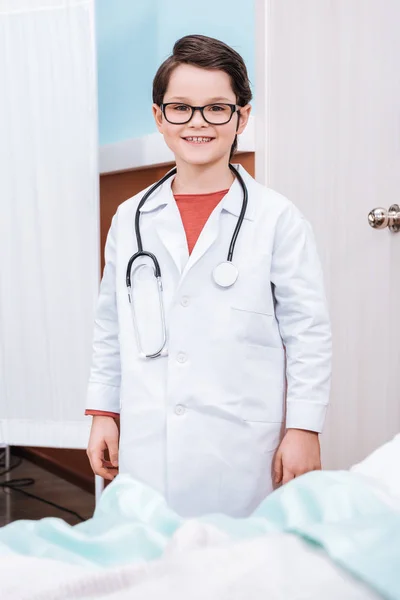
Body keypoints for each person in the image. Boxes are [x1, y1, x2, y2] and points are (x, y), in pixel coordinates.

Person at [85, 34, 332, 518]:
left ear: (242, 116)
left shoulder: (278, 219)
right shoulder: (130, 218)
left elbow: (309, 332)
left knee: (233, 572)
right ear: (159, 117)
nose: (198, 122)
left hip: (239, 449)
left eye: (217, 108)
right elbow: (110, 327)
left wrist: (304, 428)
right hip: (146, 442)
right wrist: (103, 413)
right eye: (181, 107)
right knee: (148, 571)